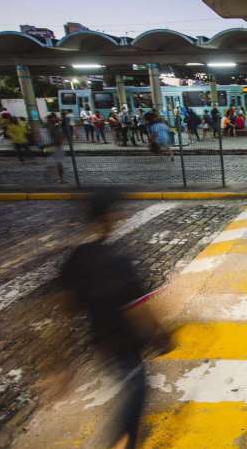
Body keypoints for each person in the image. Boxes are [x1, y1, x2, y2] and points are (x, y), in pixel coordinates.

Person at [58, 189, 171, 449]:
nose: (121, 215)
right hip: (123, 343)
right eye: (116, 211)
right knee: (137, 388)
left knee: (132, 386)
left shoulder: (75, 259)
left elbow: (67, 306)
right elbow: (137, 309)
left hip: (100, 340)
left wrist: (62, 365)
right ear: (106, 217)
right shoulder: (117, 261)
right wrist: (162, 337)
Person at [45, 113, 65, 183]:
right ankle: (58, 178)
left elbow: (60, 137)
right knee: (52, 164)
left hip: (56, 147)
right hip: (51, 147)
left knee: (58, 163)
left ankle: (60, 179)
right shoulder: (50, 127)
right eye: (52, 118)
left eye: (55, 118)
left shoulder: (56, 126)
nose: (55, 119)